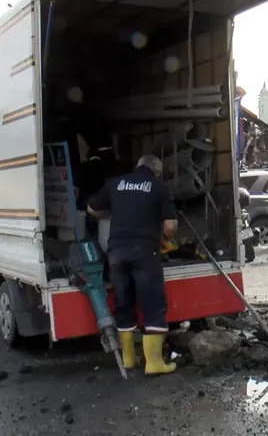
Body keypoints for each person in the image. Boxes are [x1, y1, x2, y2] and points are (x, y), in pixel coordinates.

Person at [87, 155, 179, 375]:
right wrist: (167, 233)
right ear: (156, 172)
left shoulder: (117, 183)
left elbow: (91, 208)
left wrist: (111, 214)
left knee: (123, 303)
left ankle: (129, 359)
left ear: (138, 166)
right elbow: (169, 226)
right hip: (144, 252)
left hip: (117, 252)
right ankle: (154, 363)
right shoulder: (157, 187)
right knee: (152, 303)